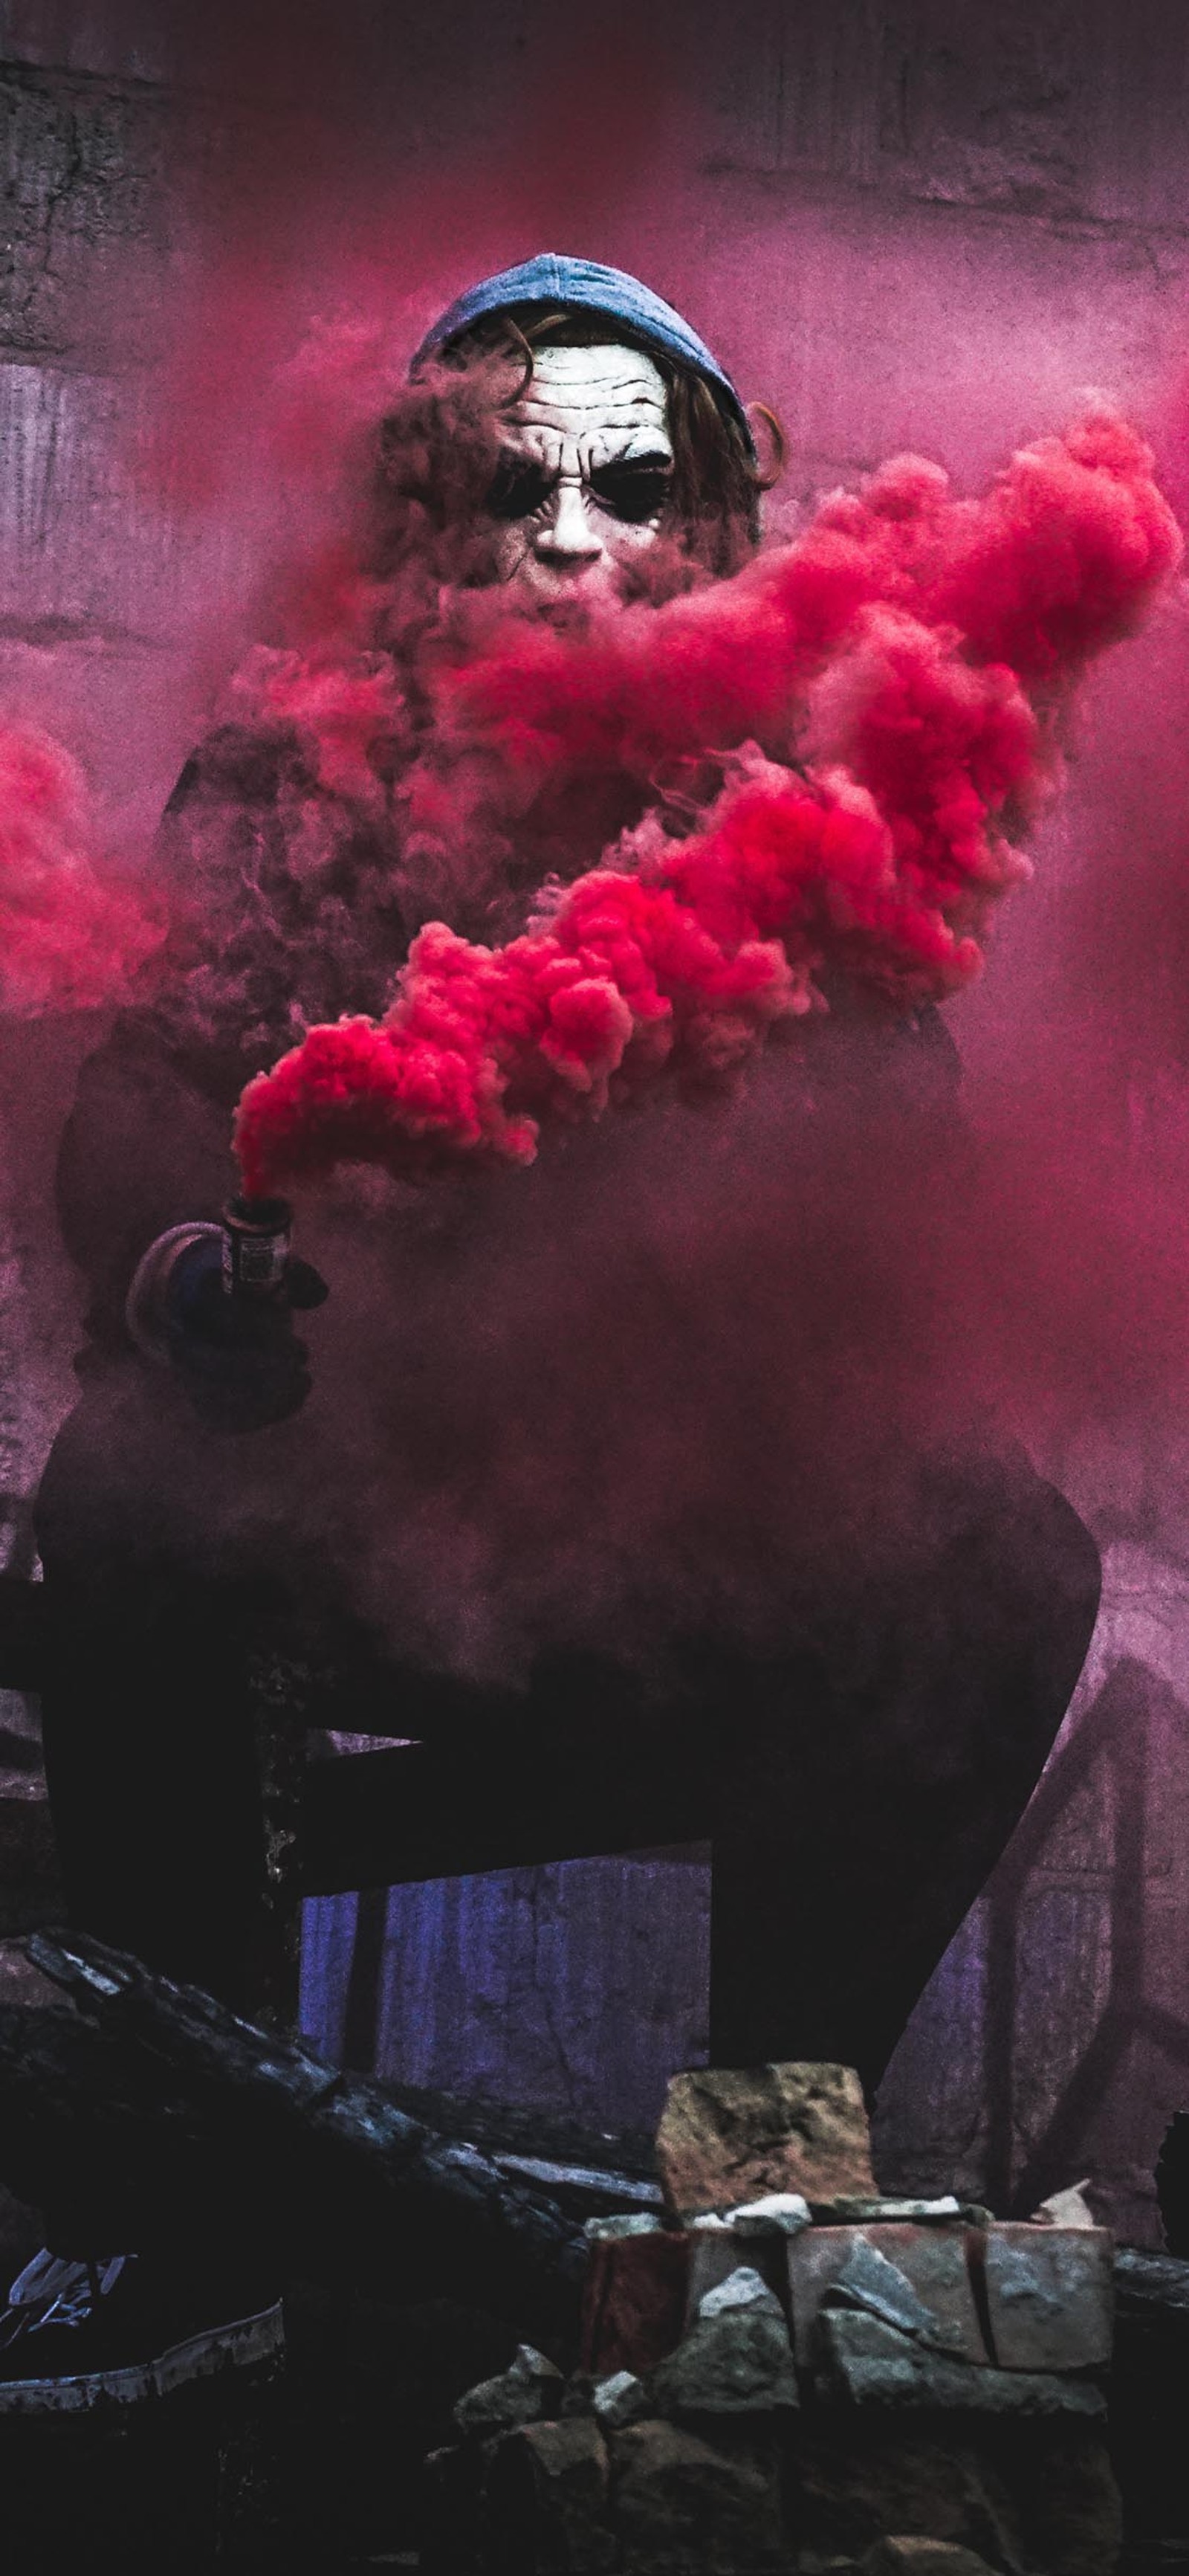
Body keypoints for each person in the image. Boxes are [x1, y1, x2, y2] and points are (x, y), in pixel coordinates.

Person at [1, 257, 1099, 2382]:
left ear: (705, 526)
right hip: (349, 1498)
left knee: (1000, 1558)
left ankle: (754, 2207)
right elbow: (143, 1089)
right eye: (514, 488)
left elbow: (920, 1178)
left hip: (687, 1545)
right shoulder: (299, 764)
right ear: (428, 517)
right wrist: (187, 1280)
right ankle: (174, 2208)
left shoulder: (801, 797)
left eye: (631, 488)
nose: (572, 539)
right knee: (123, 1500)